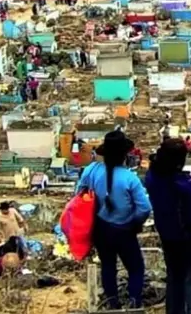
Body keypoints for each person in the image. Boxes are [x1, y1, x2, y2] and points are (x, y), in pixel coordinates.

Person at [76, 130, 152, 309]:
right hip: (125, 230)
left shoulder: (92, 171)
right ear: (124, 155)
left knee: (108, 266)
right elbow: (145, 208)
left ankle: (112, 303)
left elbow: (79, 195)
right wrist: (135, 222)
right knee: (135, 268)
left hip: (101, 229)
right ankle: (134, 302)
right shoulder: (130, 178)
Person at [145, 138, 191, 314]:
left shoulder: (153, 177)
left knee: (174, 279)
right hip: (189, 241)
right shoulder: (186, 187)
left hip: (168, 236)